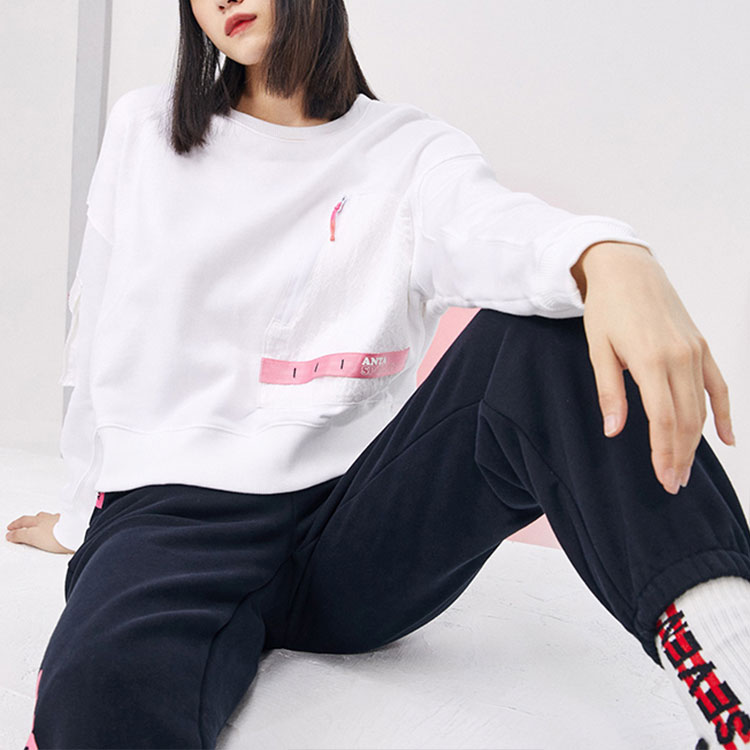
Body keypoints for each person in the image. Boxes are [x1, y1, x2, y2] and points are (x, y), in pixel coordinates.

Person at [8, 0, 750, 748]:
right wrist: (80, 521)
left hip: (355, 528)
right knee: (94, 704)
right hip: (172, 523)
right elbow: (97, 339)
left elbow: (497, 230)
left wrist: (610, 256)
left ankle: (737, 692)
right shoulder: (146, 129)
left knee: (552, 331)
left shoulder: (411, 151)